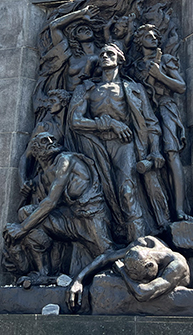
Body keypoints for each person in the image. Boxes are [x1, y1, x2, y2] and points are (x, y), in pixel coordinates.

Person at [69, 43, 165, 242]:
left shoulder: (134, 89)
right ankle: (106, 247)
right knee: (99, 197)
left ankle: (138, 246)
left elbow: (151, 123)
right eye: (102, 53)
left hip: (125, 146)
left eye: (110, 53)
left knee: (127, 192)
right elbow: (75, 120)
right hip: (94, 147)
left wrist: (155, 151)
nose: (104, 56)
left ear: (120, 59)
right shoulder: (86, 88)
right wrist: (109, 124)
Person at [3, 132, 114, 283]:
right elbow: (38, 205)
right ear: (36, 152)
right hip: (70, 220)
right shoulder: (43, 177)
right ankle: (45, 272)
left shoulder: (66, 160)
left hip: (91, 217)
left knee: (107, 255)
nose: (51, 141)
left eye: (52, 138)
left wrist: (22, 229)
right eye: (44, 141)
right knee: (25, 212)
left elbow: (50, 202)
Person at [130, 24, 192, 221]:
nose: (153, 38)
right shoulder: (136, 66)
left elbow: (181, 87)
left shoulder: (165, 60)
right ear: (140, 41)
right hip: (142, 112)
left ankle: (180, 209)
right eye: (148, 35)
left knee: (171, 153)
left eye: (155, 35)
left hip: (165, 108)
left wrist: (160, 76)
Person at [66, 236, 190, 311]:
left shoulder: (177, 266)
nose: (139, 281)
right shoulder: (144, 243)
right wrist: (78, 279)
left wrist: (122, 273)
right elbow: (106, 258)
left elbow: (143, 292)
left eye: (139, 278)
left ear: (150, 265)